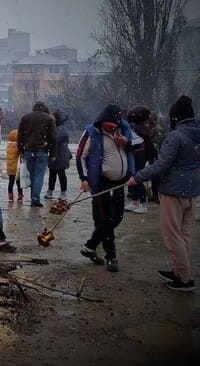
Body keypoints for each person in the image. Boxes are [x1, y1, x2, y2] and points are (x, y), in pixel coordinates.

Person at [128, 95, 200, 291]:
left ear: (175, 117)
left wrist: (138, 177)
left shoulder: (175, 136)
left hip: (173, 191)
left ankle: (184, 279)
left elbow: (161, 165)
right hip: (191, 190)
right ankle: (179, 271)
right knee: (184, 234)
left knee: (172, 235)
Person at [76, 104, 135, 273]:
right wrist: (84, 178)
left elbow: (141, 146)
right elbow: (80, 156)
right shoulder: (92, 132)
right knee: (106, 219)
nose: (109, 128)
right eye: (106, 125)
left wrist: (127, 142)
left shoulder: (125, 130)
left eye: (112, 125)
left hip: (121, 182)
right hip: (101, 182)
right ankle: (111, 256)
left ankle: (90, 246)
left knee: (118, 217)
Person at [17, 102, 56, 207]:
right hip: (42, 150)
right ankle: (35, 198)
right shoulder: (49, 119)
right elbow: (53, 137)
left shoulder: (26, 118)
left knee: (32, 174)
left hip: (29, 150)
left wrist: (21, 149)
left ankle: (33, 197)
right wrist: (53, 153)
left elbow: (20, 134)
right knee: (39, 175)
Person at [125, 106, 154, 214]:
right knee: (133, 178)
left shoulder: (141, 129)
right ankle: (135, 201)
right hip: (135, 155)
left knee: (138, 178)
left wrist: (149, 159)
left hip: (140, 156)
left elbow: (148, 146)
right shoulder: (139, 128)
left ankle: (142, 203)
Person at [45, 109, 72, 200]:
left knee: (61, 174)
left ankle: (63, 192)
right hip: (56, 154)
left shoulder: (61, 129)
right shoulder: (56, 127)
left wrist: (53, 155)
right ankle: (50, 191)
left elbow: (55, 141)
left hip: (61, 155)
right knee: (52, 174)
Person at [6, 129, 24, 203]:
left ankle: (10, 196)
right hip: (17, 168)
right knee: (18, 182)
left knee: (11, 182)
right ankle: (20, 196)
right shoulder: (17, 146)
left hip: (10, 168)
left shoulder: (9, 146)